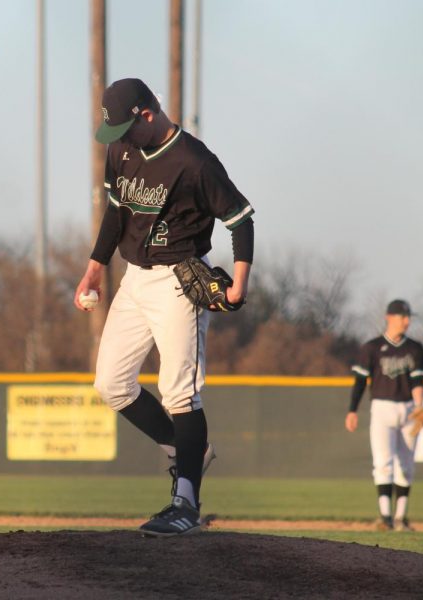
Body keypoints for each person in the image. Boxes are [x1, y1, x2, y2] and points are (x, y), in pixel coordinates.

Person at [75, 78, 255, 536]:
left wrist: (238, 284)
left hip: (180, 280)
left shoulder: (194, 161)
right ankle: (187, 449)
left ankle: (186, 503)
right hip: (135, 279)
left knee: (179, 393)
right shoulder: (122, 150)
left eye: (125, 129)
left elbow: (240, 218)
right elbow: (116, 214)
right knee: (111, 384)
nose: (119, 141)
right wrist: (94, 269)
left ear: (147, 115)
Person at [345, 299, 423, 531]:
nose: (407, 321)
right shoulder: (371, 348)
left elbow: (418, 381)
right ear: (389, 317)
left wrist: (420, 406)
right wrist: (352, 410)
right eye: (403, 316)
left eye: (408, 316)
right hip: (382, 408)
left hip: (409, 409)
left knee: (407, 465)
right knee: (383, 463)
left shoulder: (415, 348)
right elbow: (360, 381)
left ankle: (401, 518)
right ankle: (385, 517)